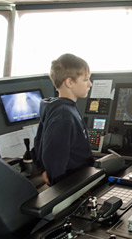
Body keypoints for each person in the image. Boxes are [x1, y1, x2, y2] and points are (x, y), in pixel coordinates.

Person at [34, 53, 93, 185]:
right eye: (85, 79)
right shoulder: (63, 116)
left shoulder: (61, 107)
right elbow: (55, 161)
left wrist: (43, 168)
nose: (90, 84)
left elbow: (39, 142)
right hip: (73, 184)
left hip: (82, 175)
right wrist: (64, 191)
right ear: (69, 82)